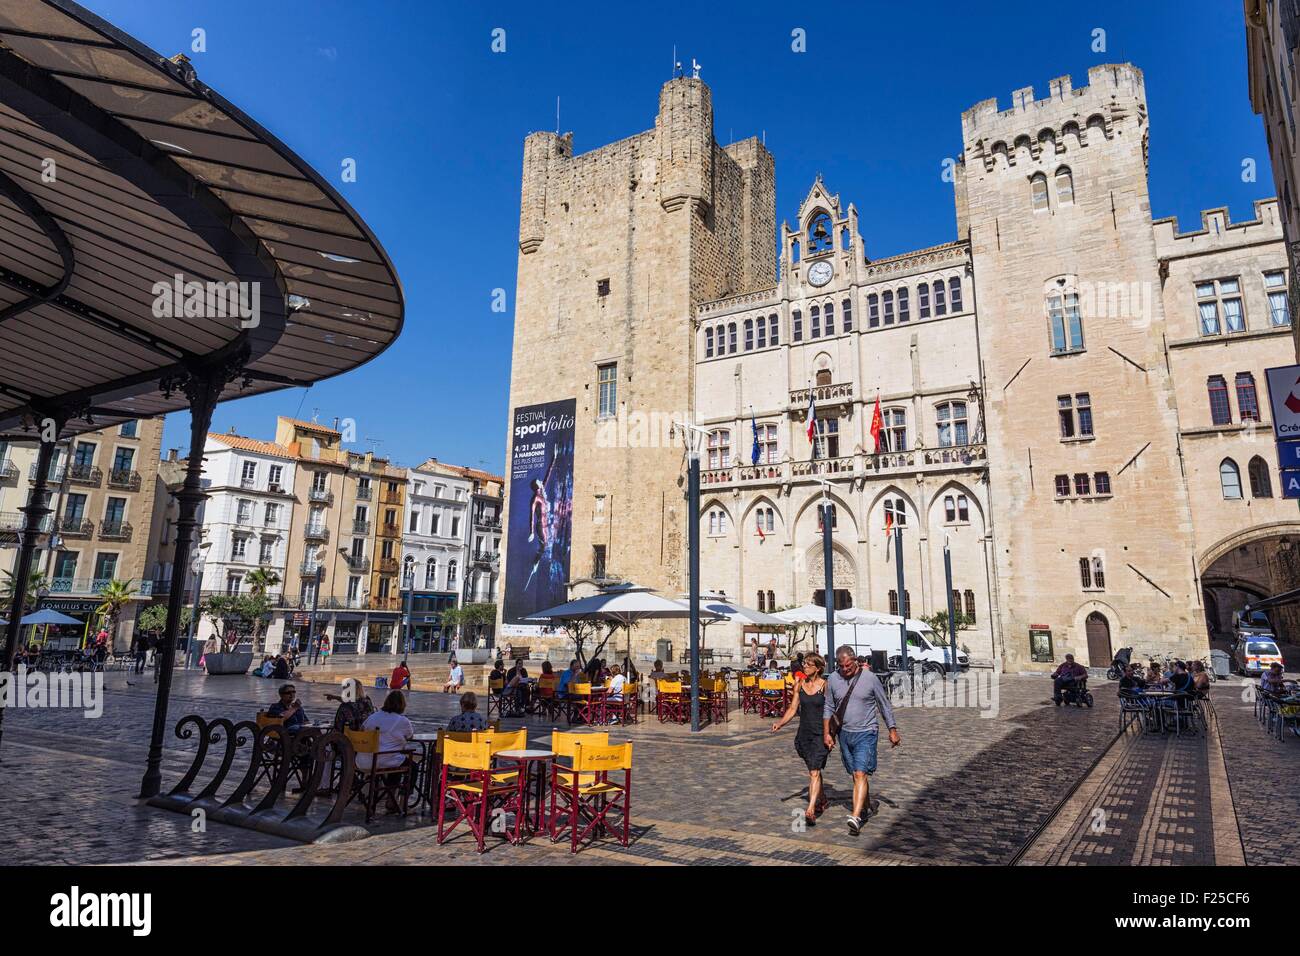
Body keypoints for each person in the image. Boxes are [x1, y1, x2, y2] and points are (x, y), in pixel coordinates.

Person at [822, 645, 899, 835]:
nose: (846, 670)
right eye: (842, 667)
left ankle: (855, 817)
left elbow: (884, 704)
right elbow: (828, 708)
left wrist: (892, 729)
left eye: (849, 665)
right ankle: (864, 806)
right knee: (856, 774)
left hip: (867, 731)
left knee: (859, 774)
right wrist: (827, 733)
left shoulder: (870, 679)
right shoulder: (833, 679)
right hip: (844, 733)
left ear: (855, 661)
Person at [772, 652, 830, 826]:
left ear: (818, 668)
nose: (804, 666)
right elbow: (792, 708)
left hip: (820, 734)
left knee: (814, 771)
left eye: (808, 664)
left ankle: (810, 810)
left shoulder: (825, 686)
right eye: (804, 663)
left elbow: (832, 711)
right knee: (814, 769)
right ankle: (823, 800)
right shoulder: (799, 685)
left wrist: (830, 733)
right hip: (804, 734)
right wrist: (780, 723)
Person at [359, 691, 416, 813]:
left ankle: (390, 799)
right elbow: (410, 736)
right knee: (411, 766)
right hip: (381, 761)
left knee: (396, 761)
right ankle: (401, 802)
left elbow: (362, 730)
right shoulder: (402, 721)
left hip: (362, 760)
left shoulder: (372, 717)